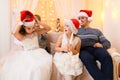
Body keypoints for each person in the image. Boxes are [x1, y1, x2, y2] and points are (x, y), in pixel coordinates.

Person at [0, 10, 52, 80]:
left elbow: (48, 28)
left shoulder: (35, 32)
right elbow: (14, 32)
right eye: (28, 28)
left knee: (40, 67)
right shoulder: (22, 36)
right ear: (24, 27)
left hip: (38, 53)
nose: (31, 30)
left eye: (33, 27)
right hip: (27, 55)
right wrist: (21, 22)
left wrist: (39, 22)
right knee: (30, 69)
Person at [77, 10, 113, 80]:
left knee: (106, 56)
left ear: (88, 19)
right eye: (79, 18)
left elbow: (107, 43)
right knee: (87, 58)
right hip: (83, 50)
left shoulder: (96, 31)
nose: (80, 20)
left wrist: (102, 45)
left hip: (95, 48)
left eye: (82, 18)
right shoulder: (76, 31)